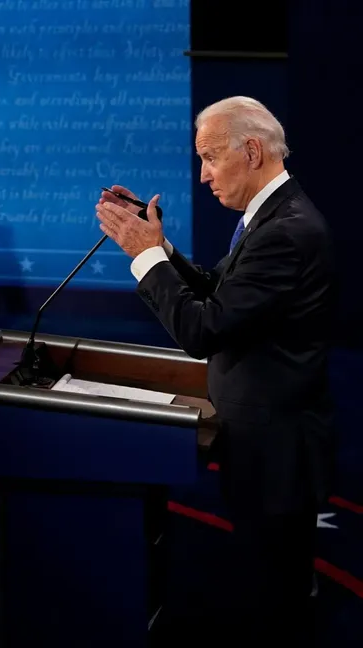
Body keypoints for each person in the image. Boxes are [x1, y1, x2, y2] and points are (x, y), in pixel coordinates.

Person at [95, 96, 335, 640]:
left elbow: (202, 330)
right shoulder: (274, 216)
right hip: (264, 440)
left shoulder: (286, 231)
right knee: (271, 579)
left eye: (209, 157)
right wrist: (159, 246)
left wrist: (145, 258)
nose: (203, 176)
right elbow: (222, 294)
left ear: (251, 151)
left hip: (277, 450)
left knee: (277, 597)